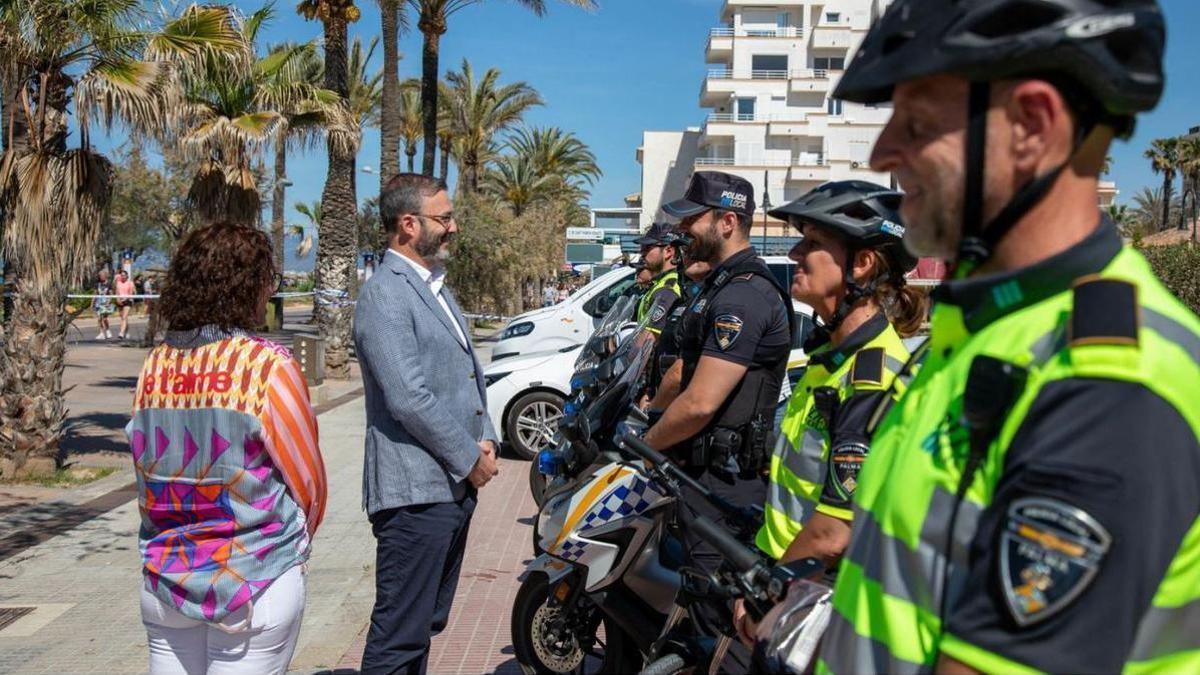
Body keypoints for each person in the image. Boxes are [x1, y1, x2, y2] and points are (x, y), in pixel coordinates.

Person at [814, 2, 1200, 674]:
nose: (882, 154)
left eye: (917, 122)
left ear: (1030, 126)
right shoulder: (984, 331)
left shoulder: (1107, 385)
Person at [732, 181, 926, 644]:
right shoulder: (830, 361)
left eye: (813, 243)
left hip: (813, 599)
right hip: (785, 571)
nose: (795, 252)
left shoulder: (871, 379)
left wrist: (767, 595)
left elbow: (835, 531)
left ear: (861, 264)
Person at [129, 222, 327, 674]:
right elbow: (308, 482)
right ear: (249, 285)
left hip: (166, 576)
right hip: (254, 579)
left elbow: (144, 469)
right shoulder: (267, 367)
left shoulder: (154, 365)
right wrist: (295, 548)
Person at [354, 173, 500, 674]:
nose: (454, 227)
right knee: (399, 635)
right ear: (408, 224)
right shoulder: (385, 294)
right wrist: (468, 458)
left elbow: (462, 375)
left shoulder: (433, 285)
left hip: (449, 489)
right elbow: (408, 397)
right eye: (444, 218)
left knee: (423, 626)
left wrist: (486, 438)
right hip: (415, 493)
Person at [642, 171, 793, 649]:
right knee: (696, 602)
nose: (683, 231)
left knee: (715, 622)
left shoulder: (744, 294)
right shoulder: (720, 284)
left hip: (724, 481)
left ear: (728, 222)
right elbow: (682, 371)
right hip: (702, 474)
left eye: (693, 220)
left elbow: (701, 401)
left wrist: (644, 446)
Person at [633, 222, 682, 336]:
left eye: (647, 248)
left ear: (668, 251)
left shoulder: (667, 289)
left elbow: (647, 342)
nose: (642, 253)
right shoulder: (657, 284)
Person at [92, 269, 115, 341]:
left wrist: (109, 301)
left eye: (102, 275)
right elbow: (95, 294)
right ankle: (101, 333)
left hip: (106, 302)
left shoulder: (109, 284)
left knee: (104, 318)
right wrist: (92, 303)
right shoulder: (97, 284)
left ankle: (108, 330)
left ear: (105, 276)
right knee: (99, 319)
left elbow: (111, 294)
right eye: (100, 276)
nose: (101, 277)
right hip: (98, 302)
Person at [115, 268, 136, 339]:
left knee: (124, 317)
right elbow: (117, 292)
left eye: (124, 275)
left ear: (127, 276)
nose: (122, 277)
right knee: (123, 318)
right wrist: (118, 299)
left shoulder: (130, 283)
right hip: (120, 301)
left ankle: (121, 333)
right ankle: (126, 331)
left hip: (127, 301)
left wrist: (126, 299)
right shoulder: (118, 283)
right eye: (121, 275)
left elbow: (131, 292)